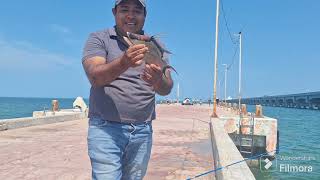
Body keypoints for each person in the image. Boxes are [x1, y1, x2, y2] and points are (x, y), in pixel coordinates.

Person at [81, 0, 174, 179]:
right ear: (114, 12)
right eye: (124, 10)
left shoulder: (155, 44)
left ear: (144, 15)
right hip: (105, 129)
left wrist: (157, 81)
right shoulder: (99, 38)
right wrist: (124, 62)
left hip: (143, 130)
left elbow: (167, 88)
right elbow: (94, 76)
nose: (131, 15)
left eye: (137, 11)